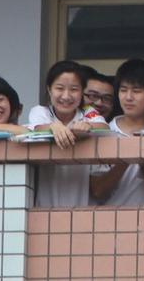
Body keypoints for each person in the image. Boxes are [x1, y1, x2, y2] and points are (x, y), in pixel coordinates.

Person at [29, 60, 109, 207]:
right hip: (44, 206)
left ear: (82, 92)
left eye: (73, 89)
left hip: (82, 206)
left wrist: (87, 126)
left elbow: (103, 126)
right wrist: (54, 127)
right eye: (59, 88)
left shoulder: (87, 112)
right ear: (49, 89)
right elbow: (38, 128)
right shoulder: (41, 112)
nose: (66, 96)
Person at [90, 59, 144, 205]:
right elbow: (97, 190)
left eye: (136, 91)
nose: (128, 97)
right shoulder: (104, 131)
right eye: (123, 90)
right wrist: (128, 157)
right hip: (110, 223)